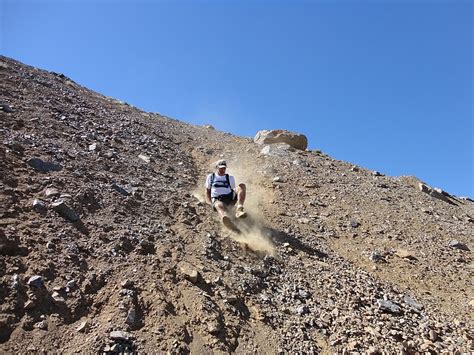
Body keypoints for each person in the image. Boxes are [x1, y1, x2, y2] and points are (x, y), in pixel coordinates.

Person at [204, 159, 247, 228]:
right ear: (217, 167)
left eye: (224, 168)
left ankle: (239, 209)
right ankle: (226, 219)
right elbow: (207, 191)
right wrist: (209, 203)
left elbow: (233, 190)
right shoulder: (211, 177)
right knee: (219, 205)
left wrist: (233, 203)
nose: (222, 170)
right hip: (217, 200)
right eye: (220, 168)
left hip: (229, 199)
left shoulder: (230, 178)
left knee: (242, 186)